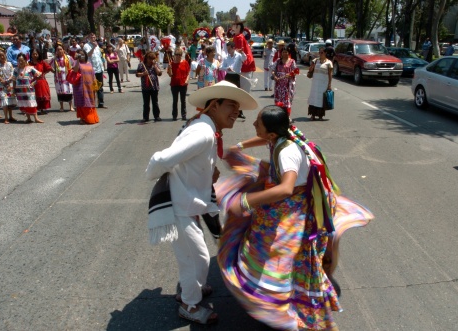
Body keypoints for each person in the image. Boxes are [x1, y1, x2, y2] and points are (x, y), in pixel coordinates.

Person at [217, 106, 372, 331]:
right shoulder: (282, 136)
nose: (254, 125)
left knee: (276, 252)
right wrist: (240, 146)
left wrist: (247, 201)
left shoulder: (286, 152)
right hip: (295, 198)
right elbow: (265, 140)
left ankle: (279, 301)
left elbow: (286, 188)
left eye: (257, 122)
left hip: (296, 204)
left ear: (272, 133)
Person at [145, 80, 258, 325]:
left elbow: (190, 159)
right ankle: (189, 305)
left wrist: (210, 174)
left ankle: (190, 291)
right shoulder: (203, 132)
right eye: (231, 105)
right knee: (198, 257)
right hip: (179, 204)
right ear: (214, 105)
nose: (236, 112)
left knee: (190, 256)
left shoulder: (205, 128)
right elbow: (164, 158)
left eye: (238, 109)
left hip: (187, 202)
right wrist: (153, 175)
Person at [13, 53, 44, 124]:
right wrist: (14, 89)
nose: (20, 62)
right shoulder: (16, 70)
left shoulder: (30, 68)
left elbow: (40, 75)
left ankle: (36, 118)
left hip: (29, 90)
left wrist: (34, 82)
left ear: (25, 60)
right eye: (19, 60)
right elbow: (14, 79)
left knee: (31, 103)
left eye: (22, 60)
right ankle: (28, 118)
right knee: (24, 104)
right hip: (20, 90)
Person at [72, 49, 100, 125]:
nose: (82, 56)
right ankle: (82, 118)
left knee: (90, 101)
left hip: (90, 86)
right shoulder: (76, 63)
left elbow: (93, 74)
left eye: (83, 54)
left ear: (86, 55)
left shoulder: (89, 63)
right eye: (80, 54)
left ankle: (90, 117)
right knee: (82, 101)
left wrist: (95, 84)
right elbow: (75, 70)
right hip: (80, 86)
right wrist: (77, 59)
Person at [270, 47, 298, 118]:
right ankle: (278, 115)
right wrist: (274, 76)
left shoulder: (292, 61)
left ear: (288, 53)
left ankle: (286, 116)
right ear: (281, 53)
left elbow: (295, 71)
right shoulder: (278, 61)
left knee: (287, 100)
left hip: (287, 84)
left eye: (286, 52)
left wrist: (290, 74)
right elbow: (272, 70)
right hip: (279, 83)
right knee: (279, 99)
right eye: (283, 52)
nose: (284, 53)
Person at [307, 47, 333, 121]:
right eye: (319, 52)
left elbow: (330, 74)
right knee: (314, 97)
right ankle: (313, 115)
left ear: (325, 53)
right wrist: (312, 66)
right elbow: (310, 70)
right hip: (315, 83)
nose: (320, 54)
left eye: (322, 52)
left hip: (323, 83)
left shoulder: (329, 63)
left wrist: (329, 85)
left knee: (321, 99)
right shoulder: (315, 61)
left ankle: (320, 115)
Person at [136, 51, 162, 122]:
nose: (151, 61)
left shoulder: (155, 64)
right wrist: (143, 73)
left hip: (154, 86)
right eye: (150, 59)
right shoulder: (141, 65)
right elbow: (137, 74)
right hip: (145, 87)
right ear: (147, 58)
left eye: (153, 59)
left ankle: (157, 116)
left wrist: (155, 67)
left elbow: (159, 73)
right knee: (146, 103)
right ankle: (145, 117)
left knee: (155, 102)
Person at [0, 48, 17, 123]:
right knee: (4, 100)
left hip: (9, 84)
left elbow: (12, 73)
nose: (2, 57)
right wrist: (2, 81)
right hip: (1, 85)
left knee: (10, 100)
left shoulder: (9, 64)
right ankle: (6, 117)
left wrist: (9, 81)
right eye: (0, 56)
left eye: (3, 55)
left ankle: (10, 116)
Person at [83, 33, 107, 109]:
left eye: (94, 37)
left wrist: (103, 65)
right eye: (91, 37)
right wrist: (93, 47)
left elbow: (99, 57)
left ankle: (101, 103)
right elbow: (88, 55)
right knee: (92, 87)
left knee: (100, 86)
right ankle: (92, 103)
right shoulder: (86, 46)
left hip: (99, 69)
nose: (93, 38)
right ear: (89, 38)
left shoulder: (97, 46)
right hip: (91, 69)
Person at [49, 44, 75, 112]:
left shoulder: (68, 57)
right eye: (58, 50)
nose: (59, 51)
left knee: (69, 91)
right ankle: (61, 106)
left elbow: (74, 65)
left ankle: (71, 106)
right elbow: (49, 66)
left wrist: (71, 70)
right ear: (56, 51)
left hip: (67, 78)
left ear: (63, 50)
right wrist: (53, 71)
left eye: (61, 49)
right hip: (58, 79)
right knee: (60, 92)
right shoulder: (54, 59)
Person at [29, 48, 54, 115]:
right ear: (31, 55)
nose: (35, 55)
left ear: (38, 54)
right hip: (32, 82)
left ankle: (42, 109)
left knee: (42, 95)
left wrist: (44, 73)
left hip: (41, 81)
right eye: (33, 54)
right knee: (33, 96)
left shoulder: (42, 62)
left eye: (36, 54)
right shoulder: (29, 64)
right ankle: (34, 109)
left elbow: (49, 68)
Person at [167, 49, 190, 121]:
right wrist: (169, 69)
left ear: (181, 55)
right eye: (176, 55)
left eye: (179, 55)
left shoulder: (185, 63)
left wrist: (187, 80)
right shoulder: (171, 64)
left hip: (183, 84)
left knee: (183, 100)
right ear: (174, 55)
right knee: (175, 100)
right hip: (174, 84)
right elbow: (170, 75)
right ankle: (174, 115)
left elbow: (188, 73)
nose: (177, 57)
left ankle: (183, 115)